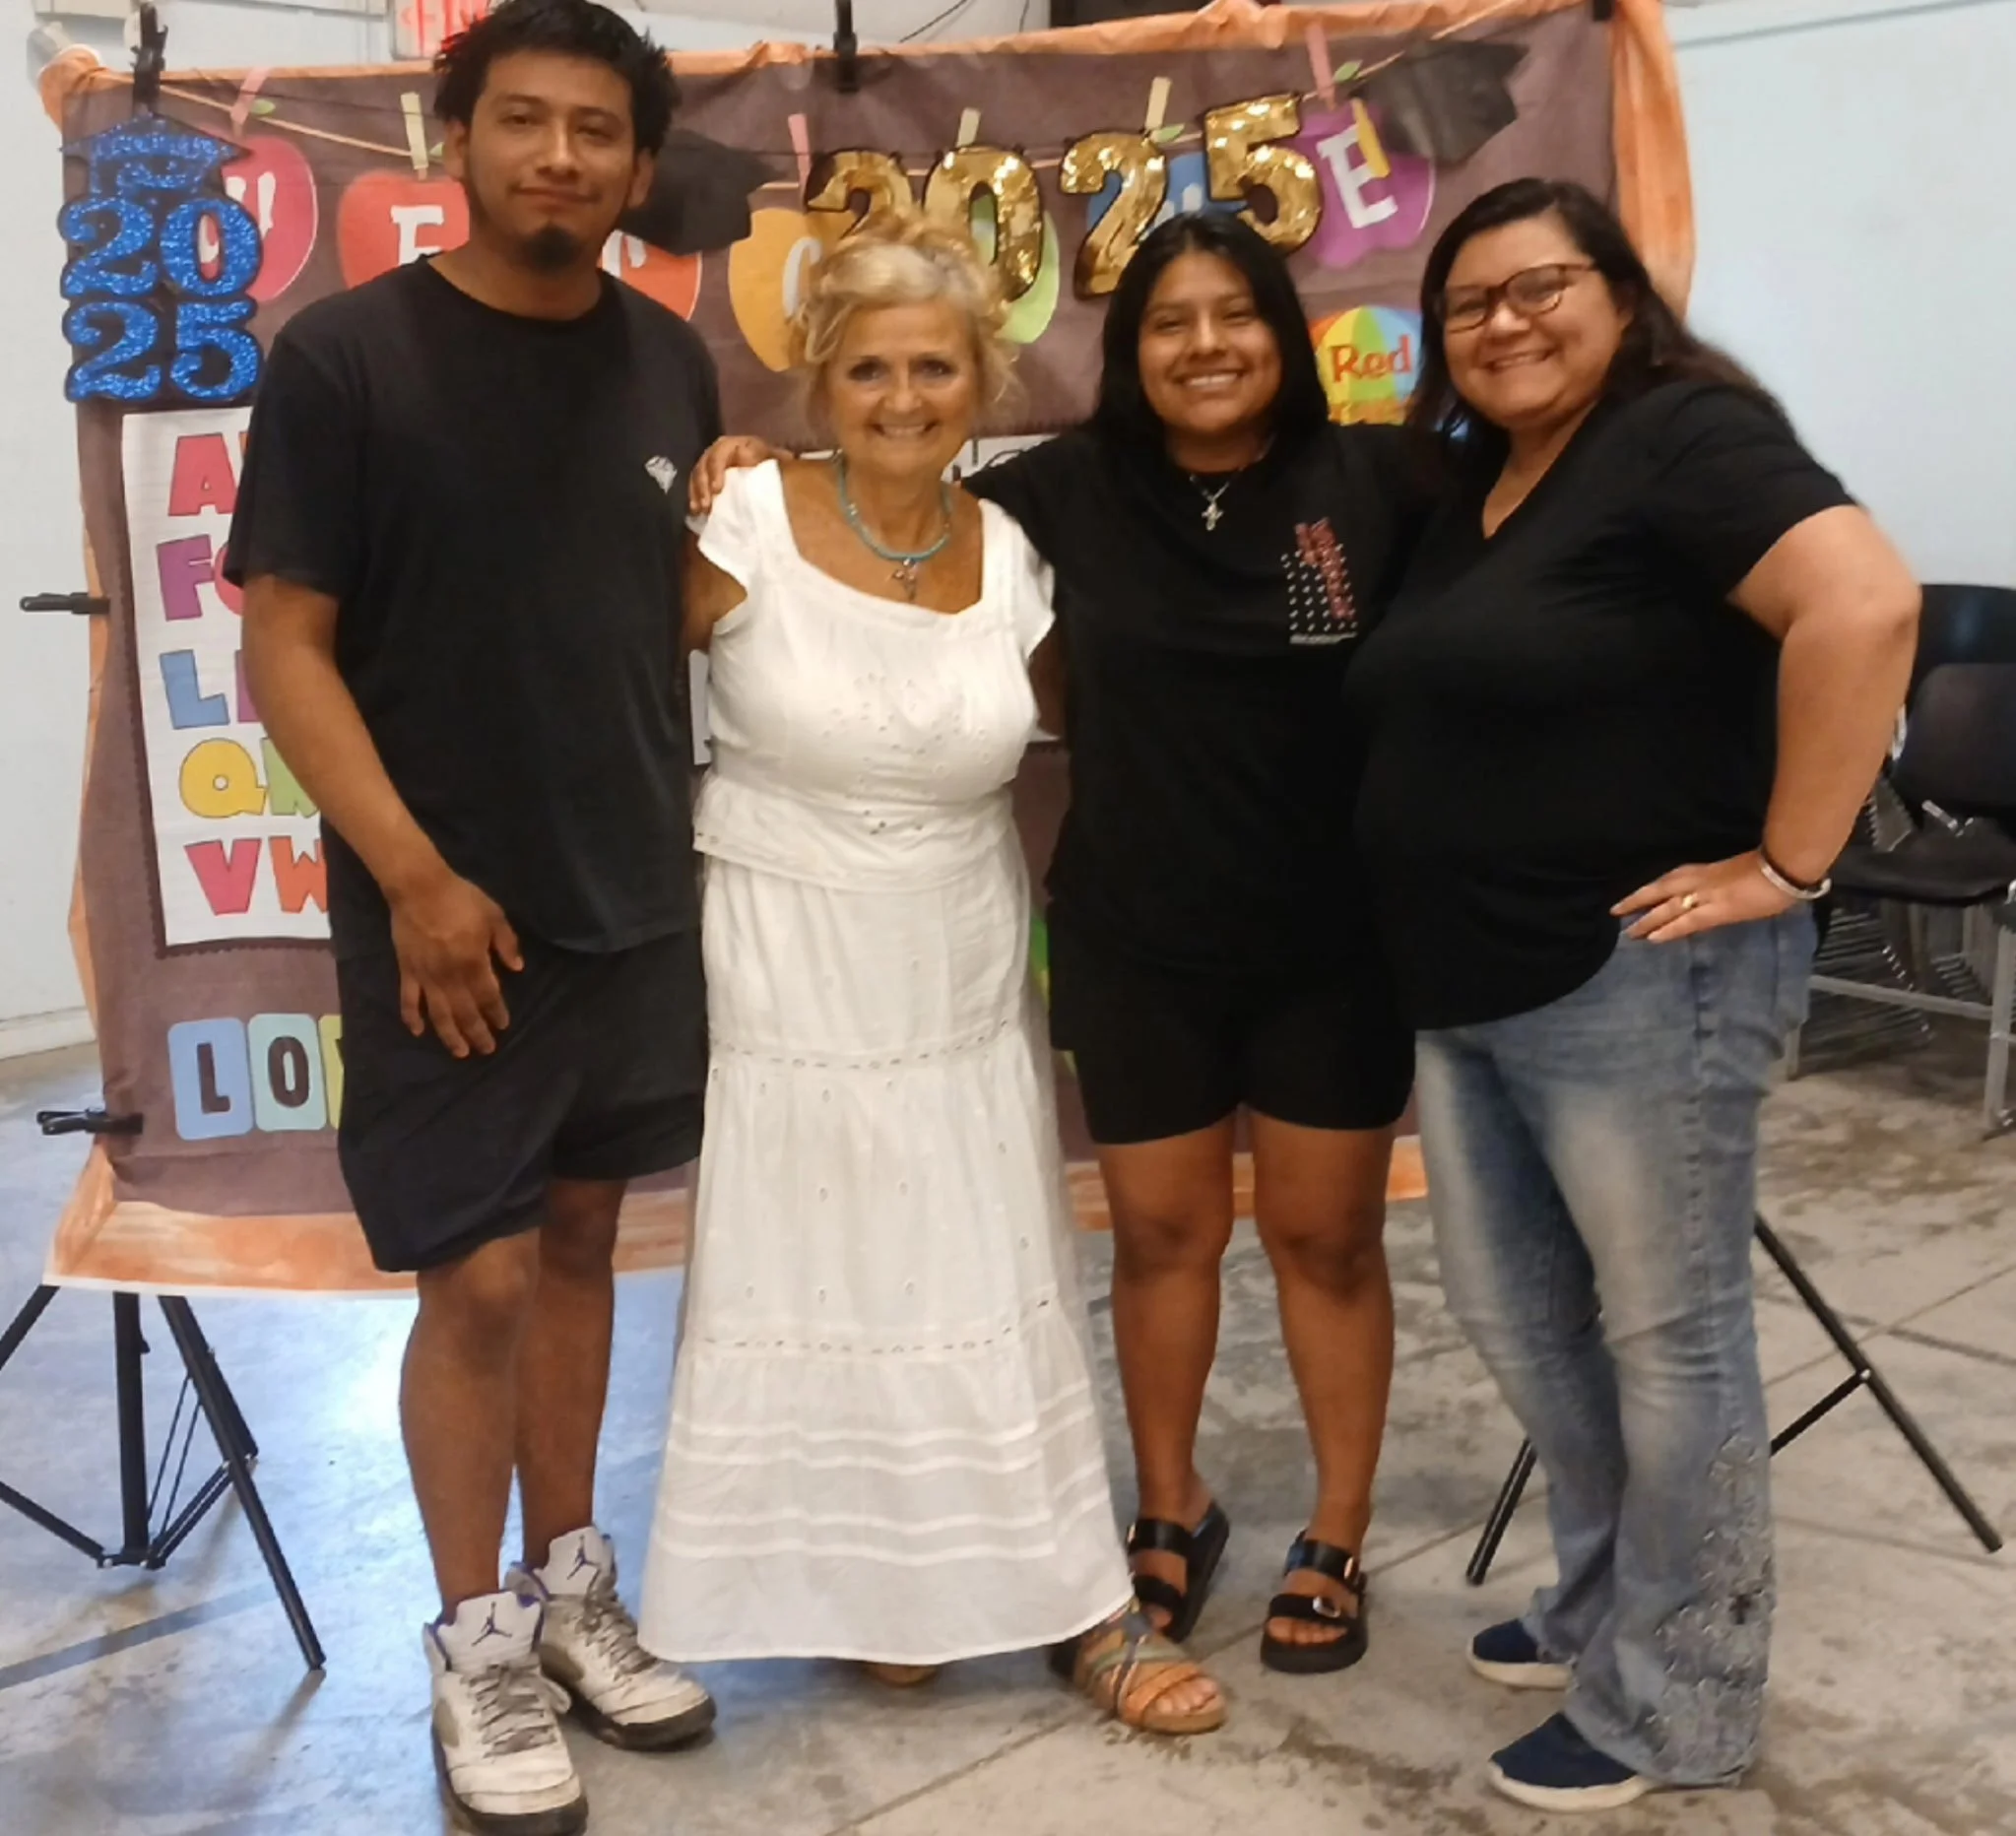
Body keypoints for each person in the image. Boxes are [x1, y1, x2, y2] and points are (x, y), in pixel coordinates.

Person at [695, 212, 1419, 1675]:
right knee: (1158, 1237)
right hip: (1135, 934)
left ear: (1283, 333)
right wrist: (753, 464)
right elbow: (885, 504)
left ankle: (1336, 1532)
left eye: (1235, 315)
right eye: (1168, 322)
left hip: (1333, 937)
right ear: (1125, 352)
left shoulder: (1381, 480)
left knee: (1327, 1238)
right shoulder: (1059, 495)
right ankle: (1169, 1506)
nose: (1205, 346)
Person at [1346, 178, 1919, 1812]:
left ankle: (1680, 1700)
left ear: (1619, 294)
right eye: (1469, 303)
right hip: (1473, 981)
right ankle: (1603, 1601)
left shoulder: (1679, 437)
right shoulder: (1479, 485)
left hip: (1637, 983)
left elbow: (1863, 604)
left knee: (1670, 1343)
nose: (1503, 323)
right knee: (1524, 1322)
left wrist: (1789, 863)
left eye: (1539, 287)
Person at [228, 4, 721, 1830]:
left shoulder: (670, 362)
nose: (559, 157)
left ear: (638, 166)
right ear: (458, 139)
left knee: (584, 1245)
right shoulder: (347, 359)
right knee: (483, 1272)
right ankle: (475, 1645)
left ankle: (572, 1590)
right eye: (523, 120)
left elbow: (656, 607)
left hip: (631, 892)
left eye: (596, 130)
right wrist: (415, 880)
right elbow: (286, 645)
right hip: (444, 911)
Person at [637, 215, 1223, 1737]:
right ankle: (875, 1592)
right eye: (870, 370)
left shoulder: (1016, 553)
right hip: (786, 948)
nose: (904, 398)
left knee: (978, 1261)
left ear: (982, 382)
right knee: (820, 1263)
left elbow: (1116, 717)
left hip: (957, 952)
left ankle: (1077, 1603)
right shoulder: (744, 523)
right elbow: (606, 699)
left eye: (935, 369)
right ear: (819, 384)